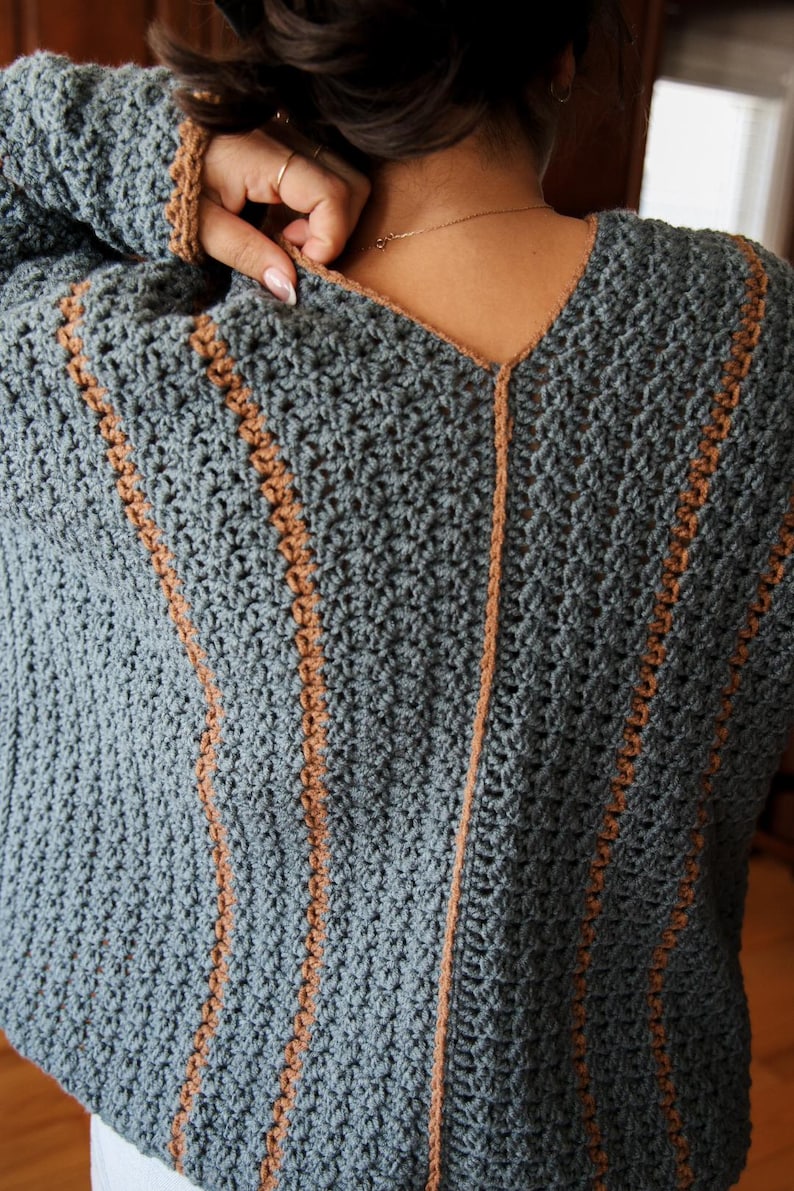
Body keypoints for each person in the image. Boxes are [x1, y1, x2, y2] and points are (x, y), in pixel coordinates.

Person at [1, 3, 792, 1190]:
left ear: (294, 46)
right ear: (564, 51)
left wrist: (156, 143)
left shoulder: (131, 367)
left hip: (220, 1118)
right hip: (595, 1133)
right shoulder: (752, 346)